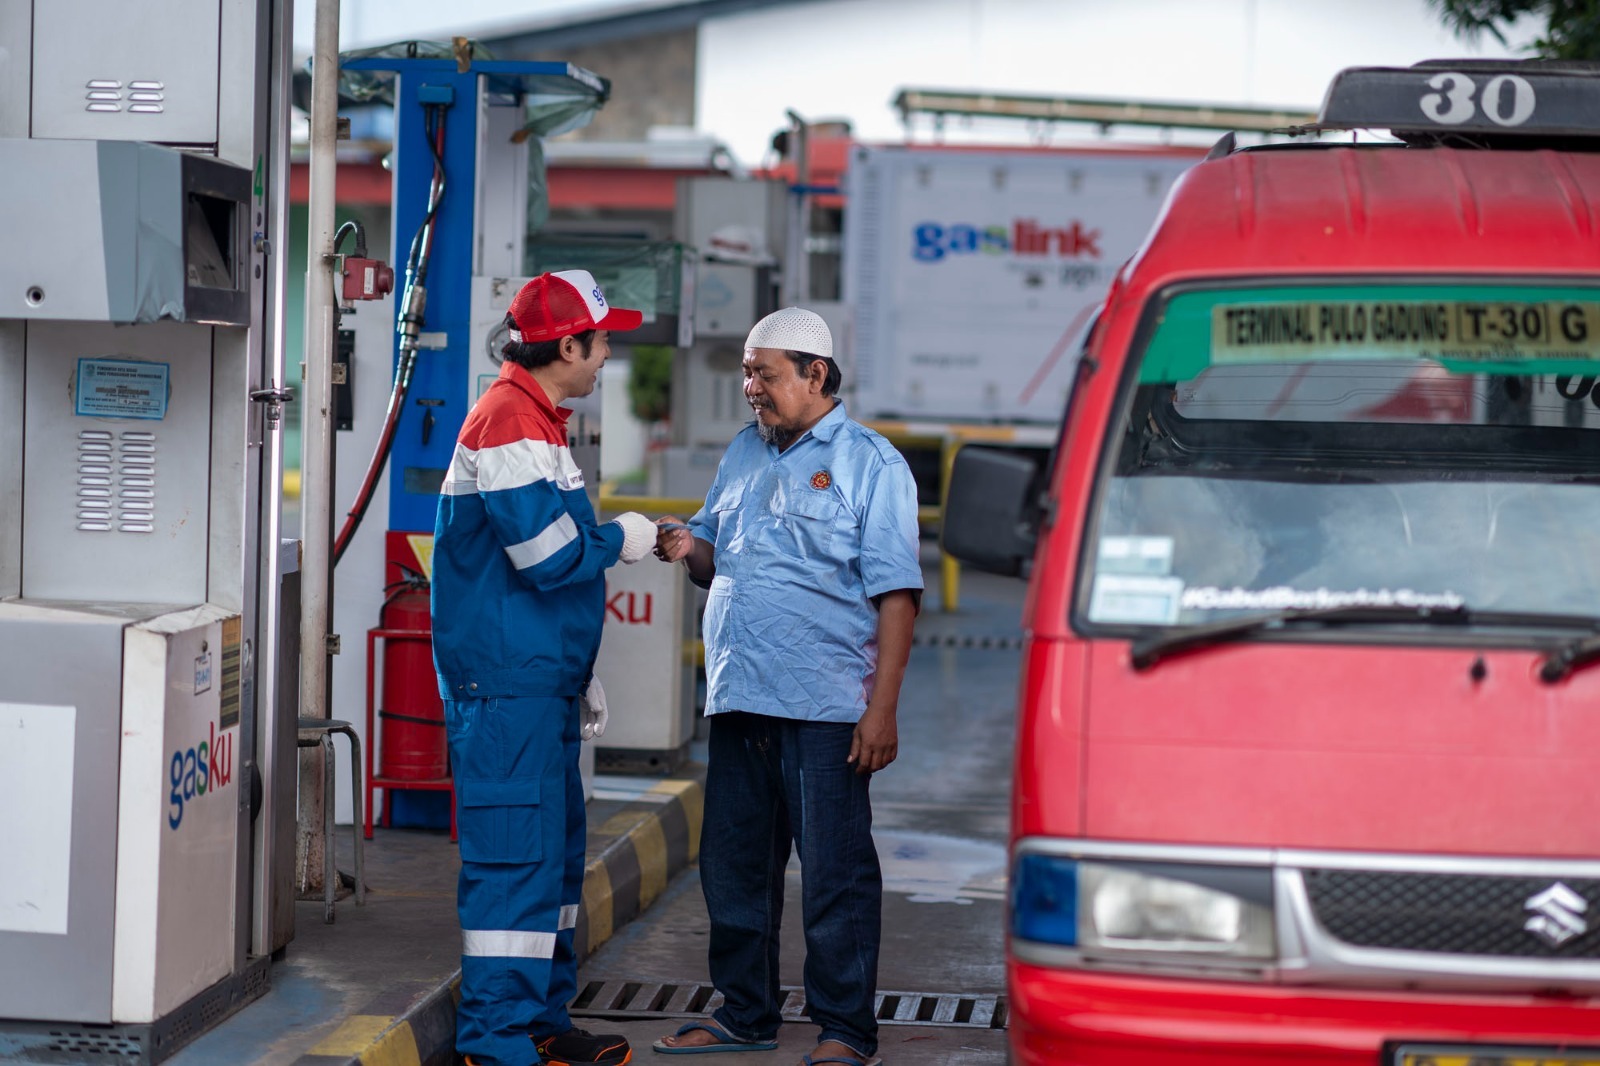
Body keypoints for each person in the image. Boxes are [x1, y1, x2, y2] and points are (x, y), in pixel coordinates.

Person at [651, 307, 922, 1066]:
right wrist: (687, 544)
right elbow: (718, 556)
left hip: (826, 706)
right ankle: (746, 1013)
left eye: (763, 373)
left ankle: (845, 1029)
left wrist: (883, 710)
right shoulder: (743, 453)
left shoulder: (872, 464)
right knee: (734, 868)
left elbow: (897, 596)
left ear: (816, 374)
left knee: (833, 875)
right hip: (741, 697)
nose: (749, 388)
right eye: (746, 372)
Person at [432, 269, 661, 1066]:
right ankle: (494, 1040)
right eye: (601, 344)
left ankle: (538, 1022)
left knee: (553, 866)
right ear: (568, 344)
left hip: (536, 681)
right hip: (506, 689)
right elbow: (547, 555)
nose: (605, 358)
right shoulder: (510, 423)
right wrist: (622, 539)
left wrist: (575, 664)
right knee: (513, 864)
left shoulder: (537, 421)